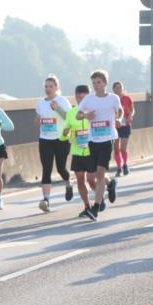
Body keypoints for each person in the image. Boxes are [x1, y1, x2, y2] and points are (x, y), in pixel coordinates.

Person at [76, 70, 121, 218]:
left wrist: (119, 119)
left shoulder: (113, 98)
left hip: (107, 139)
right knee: (94, 175)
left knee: (100, 173)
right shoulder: (88, 99)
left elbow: (119, 111)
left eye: (99, 82)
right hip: (93, 140)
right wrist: (86, 115)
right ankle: (110, 184)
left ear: (105, 83)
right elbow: (78, 115)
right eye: (94, 83)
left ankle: (95, 207)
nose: (96, 85)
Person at [34, 74, 73, 212]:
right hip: (45, 139)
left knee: (61, 168)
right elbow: (39, 119)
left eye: (51, 86)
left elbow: (69, 119)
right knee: (46, 168)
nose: (48, 89)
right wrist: (37, 121)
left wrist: (57, 109)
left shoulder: (62, 101)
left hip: (61, 139)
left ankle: (68, 183)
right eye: (46, 86)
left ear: (57, 88)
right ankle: (46, 200)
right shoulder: (40, 103)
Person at [62, 85, 97, 220]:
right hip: (77, 151)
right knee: (80, 180)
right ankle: (87, 206)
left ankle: (102, 196)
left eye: (84, 97)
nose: (81, 100)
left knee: (92, 180)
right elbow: (65, 132)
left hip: (91, 150)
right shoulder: (71, 112)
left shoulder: (95, 110)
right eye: (78, 97)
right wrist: (65, 133)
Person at [112, 81, 135, 176]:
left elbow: (132, 110)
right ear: (113, 89)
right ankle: (118, 167)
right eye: (116, 87)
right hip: (115, 126)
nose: (118, 89)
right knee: (116, 148)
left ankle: (125, 165)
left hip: (125, 125)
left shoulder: (127, 98)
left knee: (123, 148)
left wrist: (130, 116)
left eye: (120, 87)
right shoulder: (111, 99)